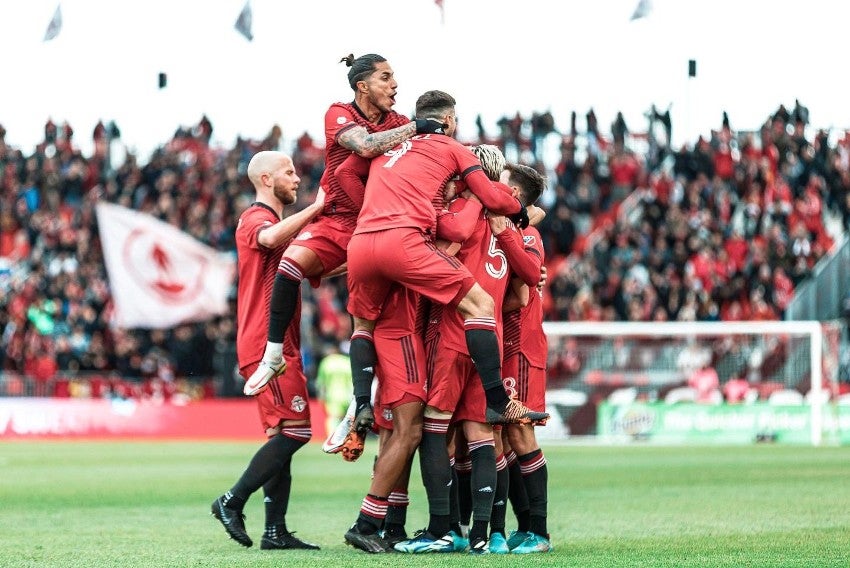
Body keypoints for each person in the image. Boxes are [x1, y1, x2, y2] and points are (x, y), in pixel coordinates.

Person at [342, 90, 545, 459]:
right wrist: (518, 212)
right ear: (449, 120)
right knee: (479, 304)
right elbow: (484, 210)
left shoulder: (388, 146)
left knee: (362, 329)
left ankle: (358, 404)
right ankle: (498, 399)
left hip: (361, 244)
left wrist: (368, 210)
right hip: (406, 250)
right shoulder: (454, 151)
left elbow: (344, 172)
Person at [244, 52, 447, 397]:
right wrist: (417, 126)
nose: (395, 84)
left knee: (370, 319)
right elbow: (365, 146)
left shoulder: (396, 120)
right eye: (386, 77)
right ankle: (274, 352)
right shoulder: (339, 112)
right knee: (290, 264)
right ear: (362, 86)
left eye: (394, 77)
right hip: (336, 218)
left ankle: (359, 406)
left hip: (377, 226)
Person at [210, 150, 324, 551]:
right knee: (298, 431)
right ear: (264, 179)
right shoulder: (255, 219)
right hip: (265, 343)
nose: (296, 178)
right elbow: (269, 239)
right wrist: (317, 208)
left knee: (282, 433)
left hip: (281, 340)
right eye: (288, 172)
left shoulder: (280, 225)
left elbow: (314, 267)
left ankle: (274, 531)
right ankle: (231, 500)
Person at [500, 163, 555, 554]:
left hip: (521, 344)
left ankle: (538, 531)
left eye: (499, 183)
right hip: (503, 344)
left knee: (519, 432)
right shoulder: (513, 230)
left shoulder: (527, 236)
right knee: (502, 435)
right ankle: (523, 527)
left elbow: (519, 295)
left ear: (513, 195)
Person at [315, 342, 353, 441]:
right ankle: (346, 439)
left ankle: (332, 440)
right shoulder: (347, 361)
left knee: (333, 418)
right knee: (347, 418)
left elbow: (321, 383)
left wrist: (321, 397)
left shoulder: (326, 362)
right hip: (348, 395)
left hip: (333, 395)